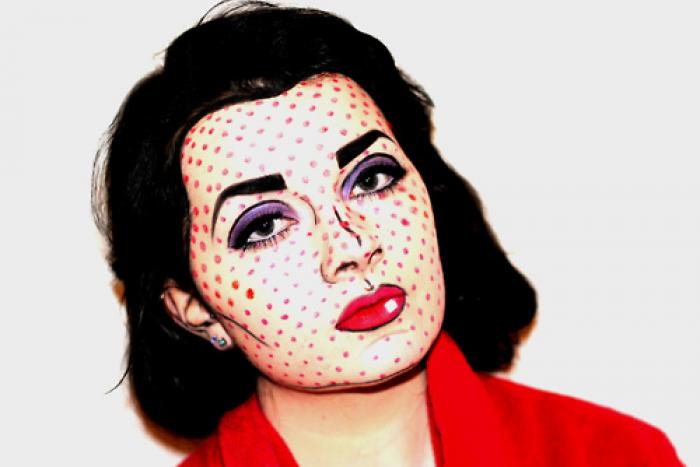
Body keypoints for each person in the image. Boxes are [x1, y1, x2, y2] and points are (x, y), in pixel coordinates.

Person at [93, 1, 682, 465]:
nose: (352, 246)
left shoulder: (619, 455)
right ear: (191, 306)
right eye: (265, 225)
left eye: (372, 178)